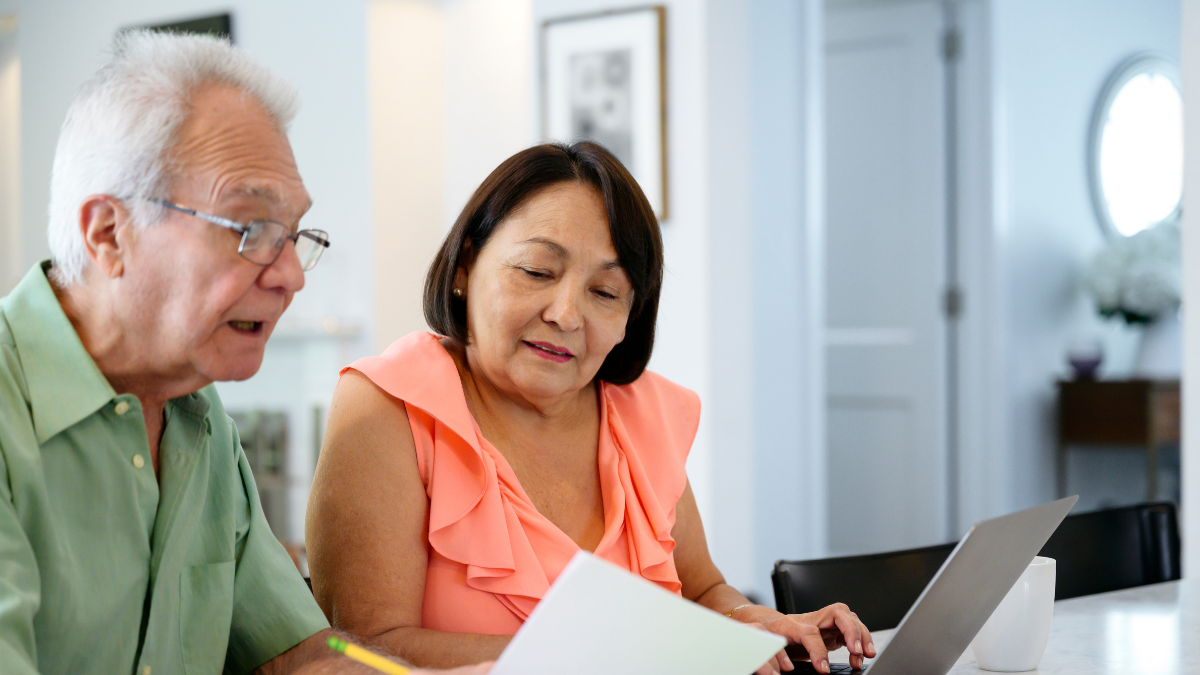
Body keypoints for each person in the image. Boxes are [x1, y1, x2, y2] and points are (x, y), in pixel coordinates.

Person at [0, 30, 487, 675]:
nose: (291, 274)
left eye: (293, 235)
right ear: (108, 234)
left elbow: (303, 654)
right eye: (251, 229)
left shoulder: (199, 422)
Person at [307, 142, 876, 675]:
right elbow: (361, 647)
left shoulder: (643, 412)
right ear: (464, 268)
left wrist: (753, 624)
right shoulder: (387, 408)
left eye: (604, 293)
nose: (566, 315)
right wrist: (615, 657)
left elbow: (703, 590)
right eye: (536, 272)